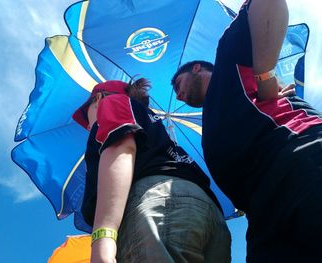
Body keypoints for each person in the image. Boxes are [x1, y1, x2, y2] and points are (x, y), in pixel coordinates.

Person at [172, 0, 322, 262]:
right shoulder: (212, 116)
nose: (180, 95)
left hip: (300, 164)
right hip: (263, 214)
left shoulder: (229, 66)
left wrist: (264, 76)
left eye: (179, 85)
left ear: (197, 68)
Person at [72, 78, 231, 263]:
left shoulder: (111, 102)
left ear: (98, 98)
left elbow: (121, 150)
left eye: (87, 116)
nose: (89, 126)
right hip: (208, 211)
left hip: (154, 201)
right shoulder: (151, 125)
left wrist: (103, 235)